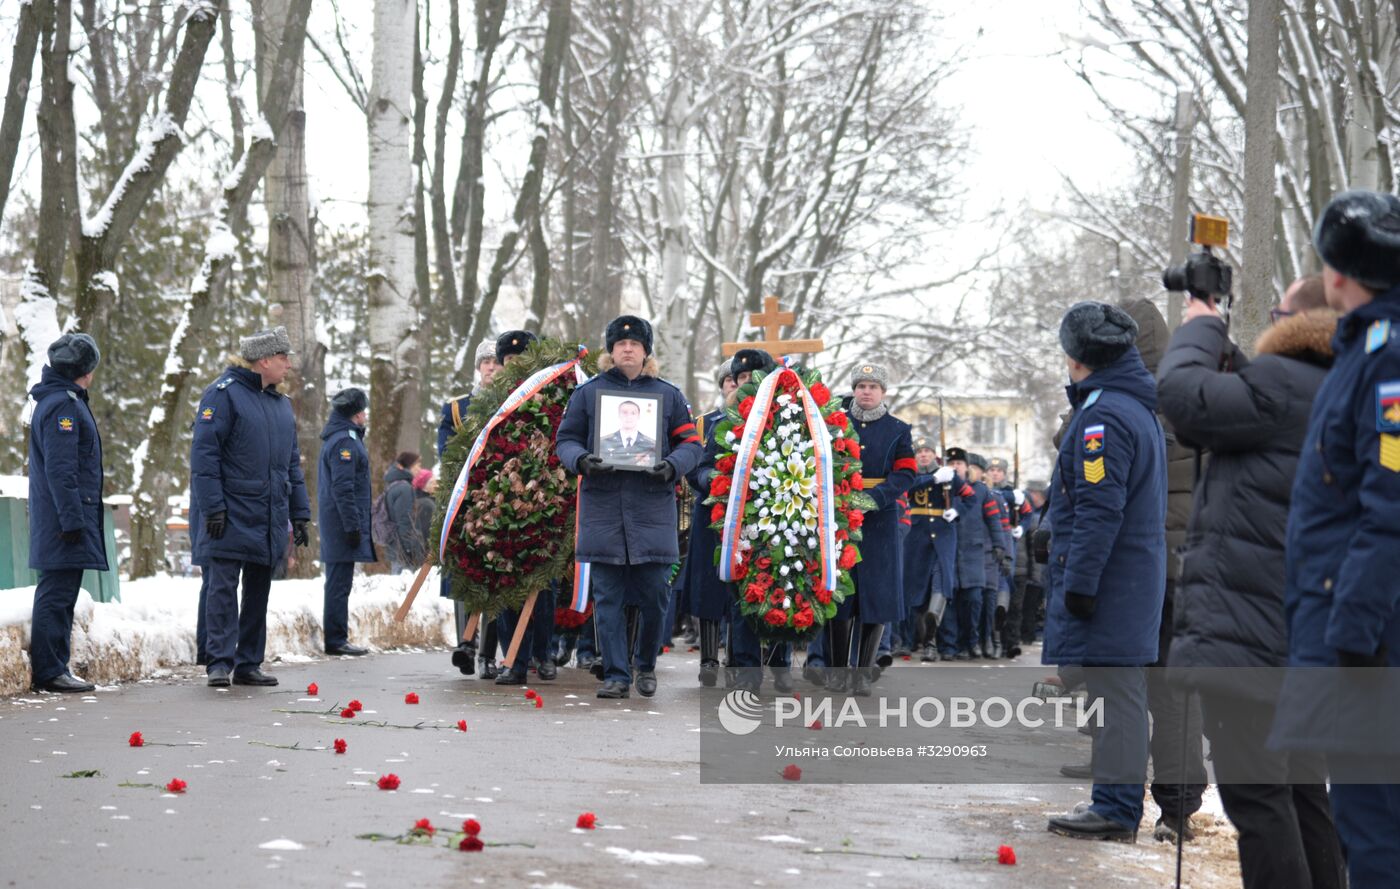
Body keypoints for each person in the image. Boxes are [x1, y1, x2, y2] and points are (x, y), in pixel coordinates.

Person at [1158, 275, 1345, 889]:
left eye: (1275, 313)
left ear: (1295, 324)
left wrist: (1202, 323)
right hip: (1307, 629)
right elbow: (1248, 400)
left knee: (1258, 796)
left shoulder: (1281, 386)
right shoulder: (1339, 386)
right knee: (1301, 788)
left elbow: (1183, 396)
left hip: (1250, 626)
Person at [1271, 190, 1400, 889]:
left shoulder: (1389, 359)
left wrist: (1352, 625)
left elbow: (1392, 504)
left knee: (1374, 825)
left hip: (1368, 633)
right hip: (1351, 621)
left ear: (1340, 273)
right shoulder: (1365, 346)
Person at [1043, 301, 1166, 843]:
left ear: (1075, 358)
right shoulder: (1128, 405)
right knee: (1120, 695)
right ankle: (1113, 801)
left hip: (1114, 579)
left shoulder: (1103, 416)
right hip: (1131, 575)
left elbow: (1099, 507)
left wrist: (1081, 585)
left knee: (1118, 698)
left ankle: (1115, 809)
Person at [556, 315, 703, 698]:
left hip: (652, 512)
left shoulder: (668, 396)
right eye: (620, 344)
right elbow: (566, 439)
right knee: (607, 598)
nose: (627, 349)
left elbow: (691, 445)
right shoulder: (588, 394)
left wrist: (672, 466)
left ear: (645, 350)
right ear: (610, 350)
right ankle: (617, 675)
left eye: (635, 344)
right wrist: (582, 460)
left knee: (655, 595)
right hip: (603, 510)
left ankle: (646, 664)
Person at [1122, 296, 1207, 842]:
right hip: (1187, 566)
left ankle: (1117, 796)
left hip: (1139, 566)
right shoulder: (1191, 395)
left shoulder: (1119, 400)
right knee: (1177, 694)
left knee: (1125, 686)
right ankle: (1178, 808)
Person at [191, 326, 311, 688]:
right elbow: (204, 456)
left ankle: (248, 662)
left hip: (268, 513)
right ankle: (218, 661)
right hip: (228, 512)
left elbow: (292, 464)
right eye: (282, 358)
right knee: (223, 588)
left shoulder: (281, 406)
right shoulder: (222, 396)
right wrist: (212, 507)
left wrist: (299, 513)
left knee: (259, 588)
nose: (288, 365)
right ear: (263, 361)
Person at [825, 363, 916, 695]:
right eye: (861, 385)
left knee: (875, 597)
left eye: (872, 386)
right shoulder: (835, 422)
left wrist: (876, 497)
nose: (866, 391)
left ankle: (862, 671)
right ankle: (836, 670)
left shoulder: (898, 430)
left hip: (879, 520)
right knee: (841, 595)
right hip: (839, 516)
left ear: (883, 392)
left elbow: (906, 473)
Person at [27, 333, 105, 693]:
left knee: (62, 593)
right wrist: (72, 519)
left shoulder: (63, 400)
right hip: (63, 519)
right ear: (83, 371)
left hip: (64, 516)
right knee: (56, 593)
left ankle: (57, 666)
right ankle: (50, 671)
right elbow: (62, 469)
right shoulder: (62, 406)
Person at [487, 329, 558, 687]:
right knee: (505, 586)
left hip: (544, 504)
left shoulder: (551, 395)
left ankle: (544, 654)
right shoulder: (491, 401)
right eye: (509, 360)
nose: (515, 366)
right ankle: (512, 660)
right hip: (499, 506)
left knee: (541, 588)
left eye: (521, 360)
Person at [438, 339, 501, 676]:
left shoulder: (515, 403)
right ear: (478, 368)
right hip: (466, 501)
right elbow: (447, 454)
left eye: (496, 361)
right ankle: (466, 643)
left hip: (504, 502)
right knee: (465, 574)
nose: (491, 367)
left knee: (495, 578)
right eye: (485, 361)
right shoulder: (457, 409)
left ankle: (488, 655)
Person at [683, 357, 737, 687]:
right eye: (728, 380)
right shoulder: (704, 424)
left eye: (739, 379)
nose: (734, 385)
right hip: (710, 515)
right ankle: (708, 657)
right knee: (709, 589)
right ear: (721, 386)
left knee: (739, 590)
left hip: (746, 518)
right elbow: (693, 466)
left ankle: (736, 654)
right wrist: (713, 481)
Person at [317, 387, 376, 657]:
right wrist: (352, 525)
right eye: (362, 411)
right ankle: (336, 639)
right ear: (355, 414)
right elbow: (343, 488)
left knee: (340, 581)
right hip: (342, 523)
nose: (365, 416)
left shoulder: (343, 437)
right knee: (339, 583)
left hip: (339, 521)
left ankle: (337, 636)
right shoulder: (345, 442)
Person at [902, 438, 963, 663]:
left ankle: (930, 642)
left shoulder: (948, 475)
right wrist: (933, 478)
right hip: (917, 541)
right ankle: (920, 639)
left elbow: (970, 497)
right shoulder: (911, 475)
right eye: (919, 452)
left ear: (934, 454)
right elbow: (906, 488)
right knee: (917, 591)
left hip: (943, 539)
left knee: (941, 583)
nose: (923, 455)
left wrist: (956, 510)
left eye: (927, 451)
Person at [382, 451, 421, 575]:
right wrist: (409, 550)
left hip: (395, 547)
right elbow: (404, 521)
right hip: (403, 551)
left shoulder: (394, 485)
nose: (419, 469)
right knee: (405, 589)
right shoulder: (404, 489)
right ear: (407, 466)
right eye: (417, 465)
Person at [601, 400, 657, 466]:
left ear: (638, 416)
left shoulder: (651, 444)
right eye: (625, 413)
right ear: (619, 415)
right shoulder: (603, 442)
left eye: (633, 413)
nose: (629, 416)